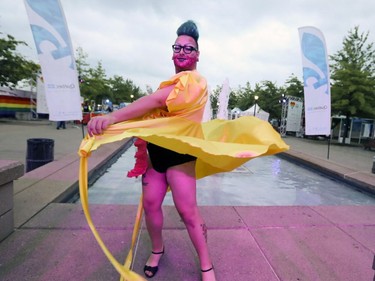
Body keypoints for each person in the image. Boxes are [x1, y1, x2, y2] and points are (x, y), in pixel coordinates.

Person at [87, 20, 216, 280]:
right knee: (151, 204)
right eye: (177, 47)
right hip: (156, 154)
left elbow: (155, 101)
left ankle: (206, 264)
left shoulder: (195, 82)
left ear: (197, 55)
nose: (181, 51)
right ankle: (157, 249)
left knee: (188, 212)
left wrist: (112, 118)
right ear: (172, 51)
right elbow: (151, 113)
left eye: (188, 48)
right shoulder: (170, 82)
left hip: (180, 156)